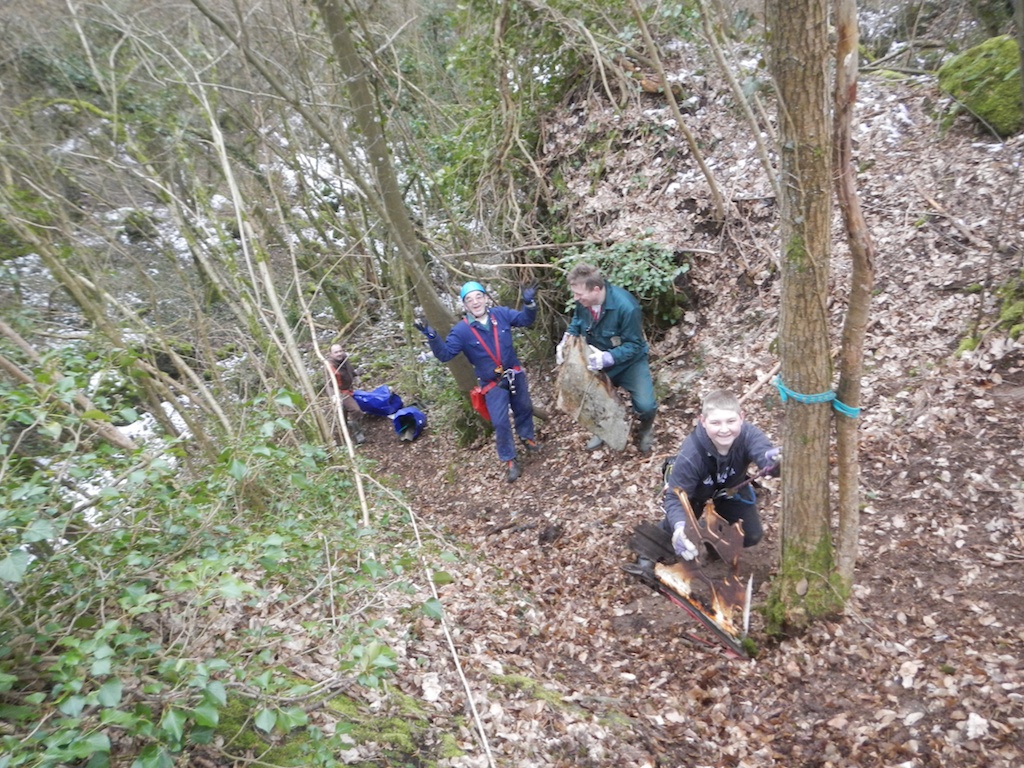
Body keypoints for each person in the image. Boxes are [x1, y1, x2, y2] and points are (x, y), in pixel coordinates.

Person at [415, 282, 539, 483]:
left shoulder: (501, 315)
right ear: (465, 305)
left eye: (478, 297)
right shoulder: (461, 331)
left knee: (524, 408)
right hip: (492, 383)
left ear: (486, 299)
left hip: (514, 374)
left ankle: (527, 438)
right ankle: (510, 459)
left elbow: (525, 320)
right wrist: (431, 336)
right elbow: (445, 354)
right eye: (469, 299)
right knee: (500, 421)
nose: (475, 302)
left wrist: (529, 303)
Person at [662, 389, 781, 560]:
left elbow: (765, 456)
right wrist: (680, 528)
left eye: (731, 421)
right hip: (694, 494)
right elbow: (675, 498)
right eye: (716, 423)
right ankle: (650, 554)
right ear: (703, 421)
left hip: (731, 489)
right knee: (675, 530)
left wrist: (774, 462)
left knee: (751, 535)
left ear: (741, 417)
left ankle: (713, 546)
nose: (724, 430)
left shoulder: (749, 435)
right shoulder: (691, 454)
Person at [557, 263, 657, 453]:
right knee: (592, 397)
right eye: (575, 294)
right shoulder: (583, 303)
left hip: (629, 362)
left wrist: (609, 357)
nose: (576, 298)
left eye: (579, 294)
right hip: (596, 359)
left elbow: (635, 345)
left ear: (596, 289)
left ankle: (645, 430)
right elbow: (577, 321)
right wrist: (567, 338)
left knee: (646, 405)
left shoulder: (626, 307)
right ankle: (603, 430)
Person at [326, 344, 366, 445]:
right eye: (336, 352)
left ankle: (347, 427)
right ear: (331, 354)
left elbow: (350, 370)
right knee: (355, 410)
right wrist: (334, 396)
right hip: (340, 392)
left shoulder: (345, 359)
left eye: (340, 351)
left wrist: (356, 376)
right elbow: (328, 384)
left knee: (344, 410)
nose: (339, 354)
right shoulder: (329, 366)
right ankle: (357, 433)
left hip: (349, 389)